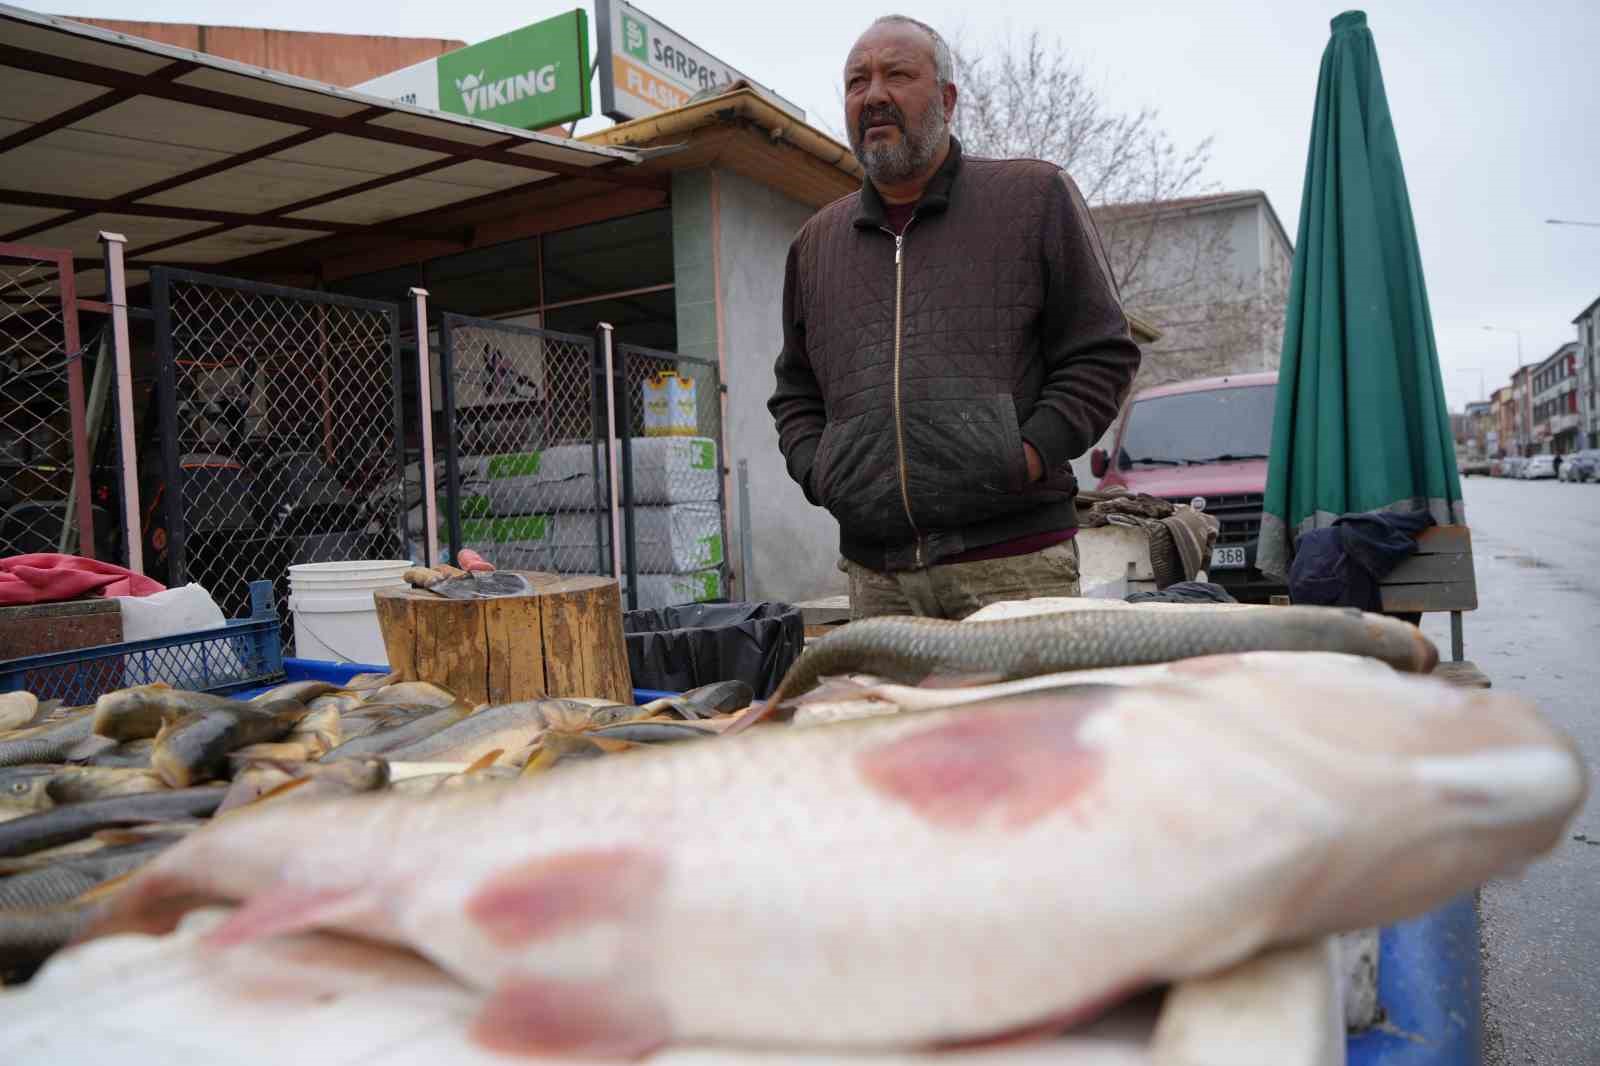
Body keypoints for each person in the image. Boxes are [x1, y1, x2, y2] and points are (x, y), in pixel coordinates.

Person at [767, 15, 1142, 621]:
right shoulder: (816, 243)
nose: (874, 94)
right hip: (876, 580)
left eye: (898, 74)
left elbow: (1102, 352)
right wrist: (824, 472)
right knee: (898, 721)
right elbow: (795, 392)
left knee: (1025, 721)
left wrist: (1026, 454)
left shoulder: (1032, 197)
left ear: (946, 98)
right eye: (856, 82)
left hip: (1014, 567)